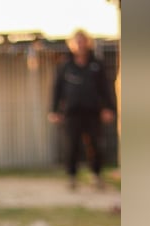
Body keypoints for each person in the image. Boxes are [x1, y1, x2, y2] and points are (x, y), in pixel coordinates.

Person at [48, 29, 117, 190]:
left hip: (93, 111)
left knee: (96, 145)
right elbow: (57, 89)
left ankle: (96, 176)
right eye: (77, 41)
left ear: (88, 43)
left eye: (83, 41)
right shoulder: (65, 65)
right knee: (72, 145)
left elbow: (105, 88)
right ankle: (72, 177)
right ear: (71, 44)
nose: (80, 44)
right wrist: (54, 110)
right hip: (72, 112)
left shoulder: (96, 64)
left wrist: (108, 108)